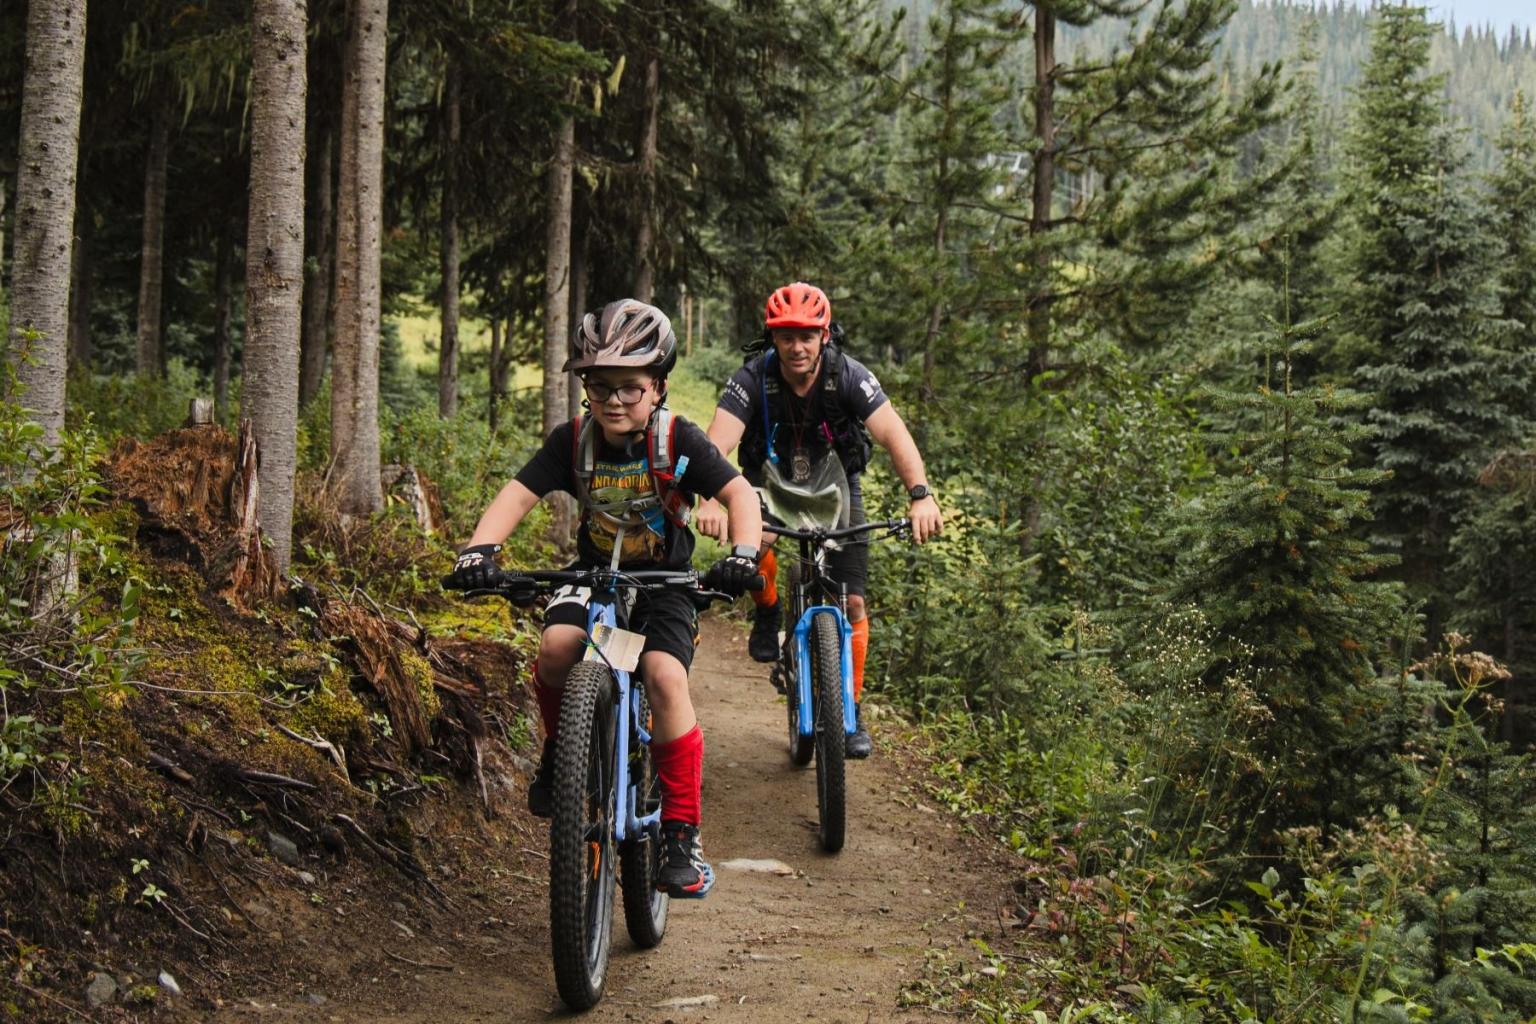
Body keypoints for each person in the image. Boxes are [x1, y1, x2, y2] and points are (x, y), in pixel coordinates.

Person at [446, 299, 764, 899]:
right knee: (557, 646)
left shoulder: (679, 439)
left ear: (659, 387)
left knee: (665, 676)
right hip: (593, 575)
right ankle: (559, 754)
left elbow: (739, 493)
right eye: (599, 386)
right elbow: (517, 495)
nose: (614, 400)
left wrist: (744, 554)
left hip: (665, 584)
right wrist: (479, 551)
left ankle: (681, 833)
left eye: (629, 388)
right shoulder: (573, 441)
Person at [695, 282, 941, 759]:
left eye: (807, 335)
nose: (797, 346)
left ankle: (850, 710)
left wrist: (920, 495)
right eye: (786, 336)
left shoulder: (848, 375)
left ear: (825, 336)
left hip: (834, 484)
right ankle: (768, 610)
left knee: (851, 601)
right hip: (767, 479)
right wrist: (708, 497)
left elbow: (894, 433)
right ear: (773, 338)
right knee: (755, 543)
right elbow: (714, 445)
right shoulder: (751, 380)